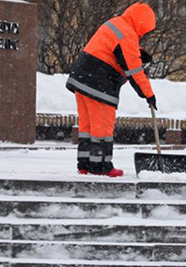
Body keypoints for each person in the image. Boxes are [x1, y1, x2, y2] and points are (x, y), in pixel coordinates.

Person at [66, 3, 158, 177]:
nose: (144, 33)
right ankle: (101, 166)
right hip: (99, 84)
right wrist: (149, 95)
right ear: (141, 23)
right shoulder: (128, 34)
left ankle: (85, 164)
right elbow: (134, 71)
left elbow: (110, 51)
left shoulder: (115, 23)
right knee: (103, 126)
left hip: (81, 78)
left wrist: (138, 53)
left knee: (87, 127)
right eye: (145, 29)